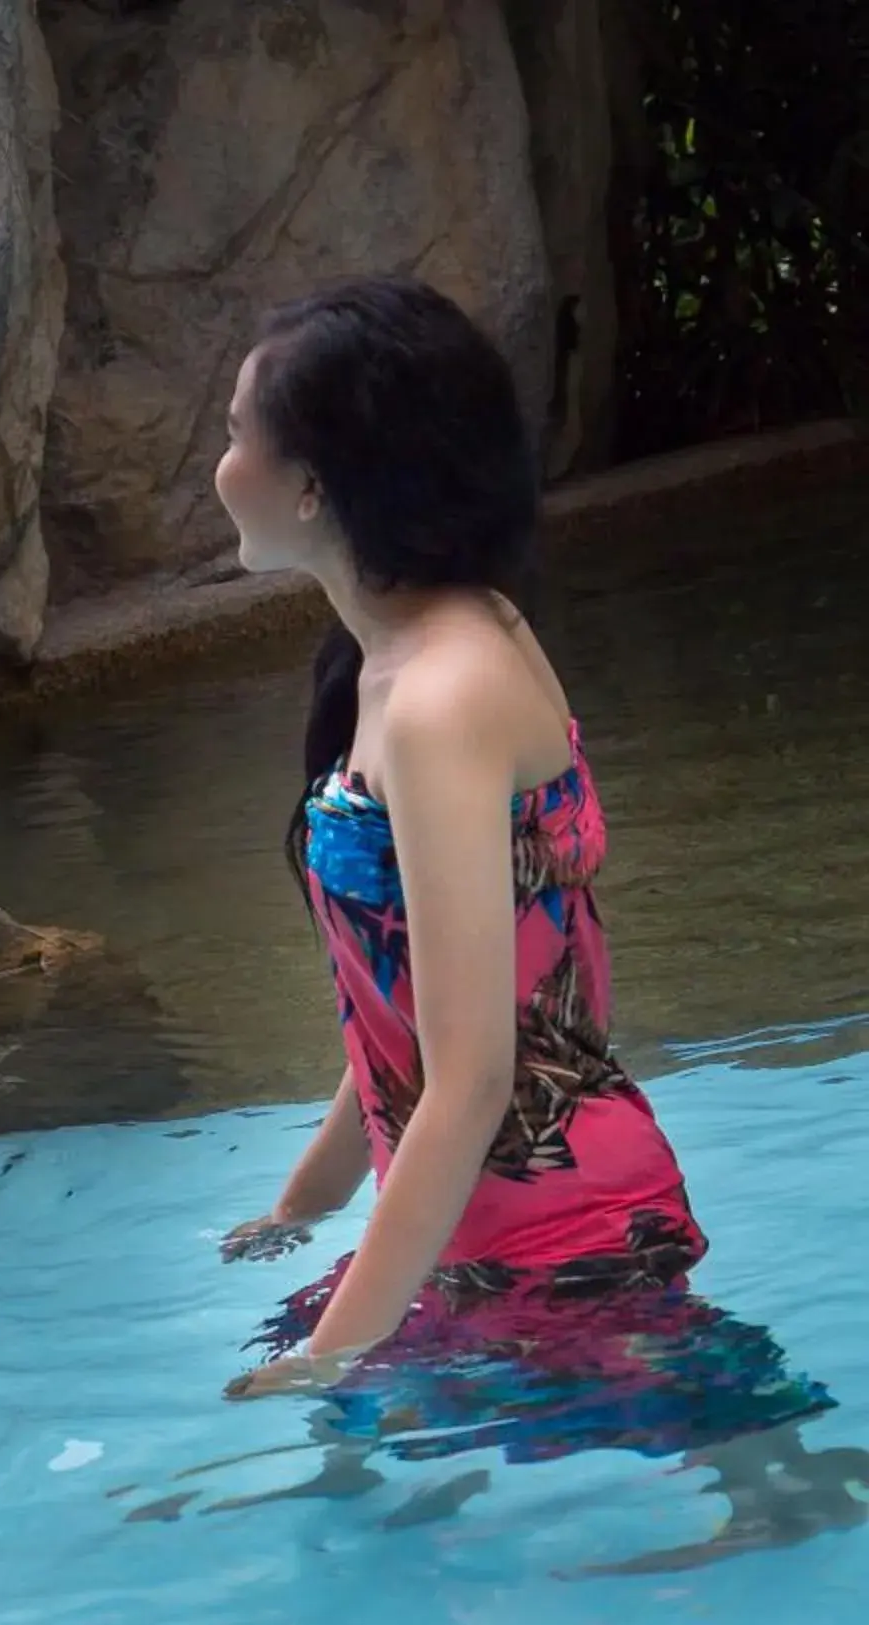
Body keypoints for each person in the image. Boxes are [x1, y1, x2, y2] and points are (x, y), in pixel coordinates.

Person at [210, 277, 712, 1400]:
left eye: (236, 435)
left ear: (309, 487)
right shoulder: (440, 639)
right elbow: (413, 1000)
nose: (219, 468)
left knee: (771, 1486)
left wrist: (327, 1362)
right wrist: (306, 1203)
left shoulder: (439, 700)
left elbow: (473, 1074)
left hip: (558, 1240)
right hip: (496, 1214)